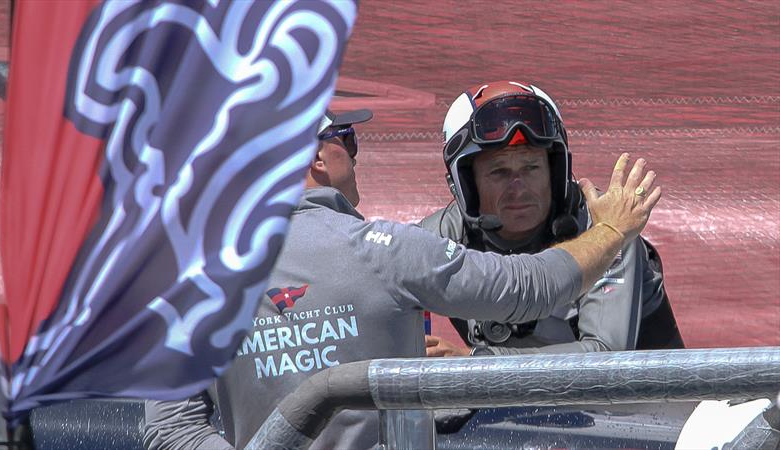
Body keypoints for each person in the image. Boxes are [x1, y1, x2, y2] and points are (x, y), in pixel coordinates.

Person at [144, 106, 662, 450]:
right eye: (346, 138)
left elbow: (169, 431)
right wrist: (614, 228)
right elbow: (531, 289)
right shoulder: (388, 253)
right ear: (316, 158)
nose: (355, 150)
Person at [421, 80, 684, 359]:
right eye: (498, 172)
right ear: (466, 183)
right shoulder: (436, 238)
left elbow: (606, 359)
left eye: (531, 167)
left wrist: (474, 363)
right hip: (502, 397)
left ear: (555, 171)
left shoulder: (609, 230)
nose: (518, 188)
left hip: (627, 400)